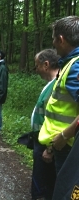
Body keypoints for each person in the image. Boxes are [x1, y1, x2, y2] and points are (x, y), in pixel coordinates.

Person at [38, 16, 79, 175]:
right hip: (63, 145)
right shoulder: (69, 63)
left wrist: (63, 135)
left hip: (68, 145)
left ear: (61, 39)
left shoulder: (76, 67)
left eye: (54, 39)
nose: (53, 44)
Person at [28, 49, 60, 200]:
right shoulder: (50, 83)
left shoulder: (57, 86)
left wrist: (50, 148)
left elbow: (58, 121)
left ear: (46, 65)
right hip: (40, 140)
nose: (36, 70)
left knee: (44, 185)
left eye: (37, 66)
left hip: (47, 145)